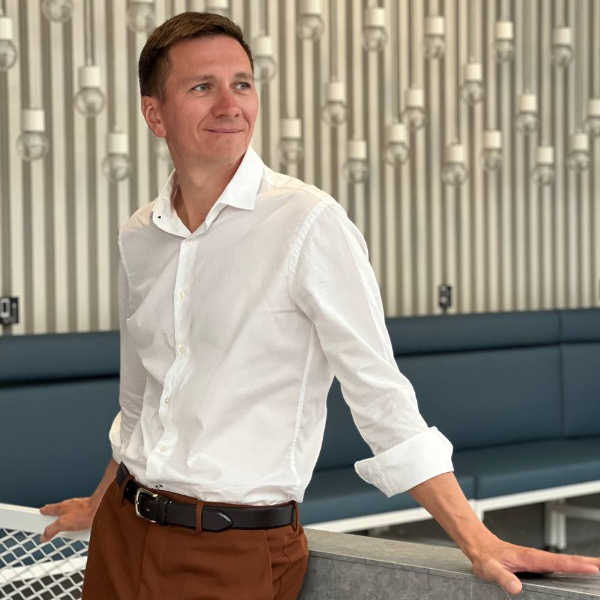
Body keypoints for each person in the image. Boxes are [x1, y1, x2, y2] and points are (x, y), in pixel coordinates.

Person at [38, 11, 600, 600]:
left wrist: (477, 540)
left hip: (230, 550)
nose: (230, 105)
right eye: (203, 86)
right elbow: (140, 396)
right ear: (155, 114)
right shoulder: (139, 234)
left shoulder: (308, 223)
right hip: (122, 532)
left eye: (242, 84)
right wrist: (102, 500)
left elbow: (381, 396)